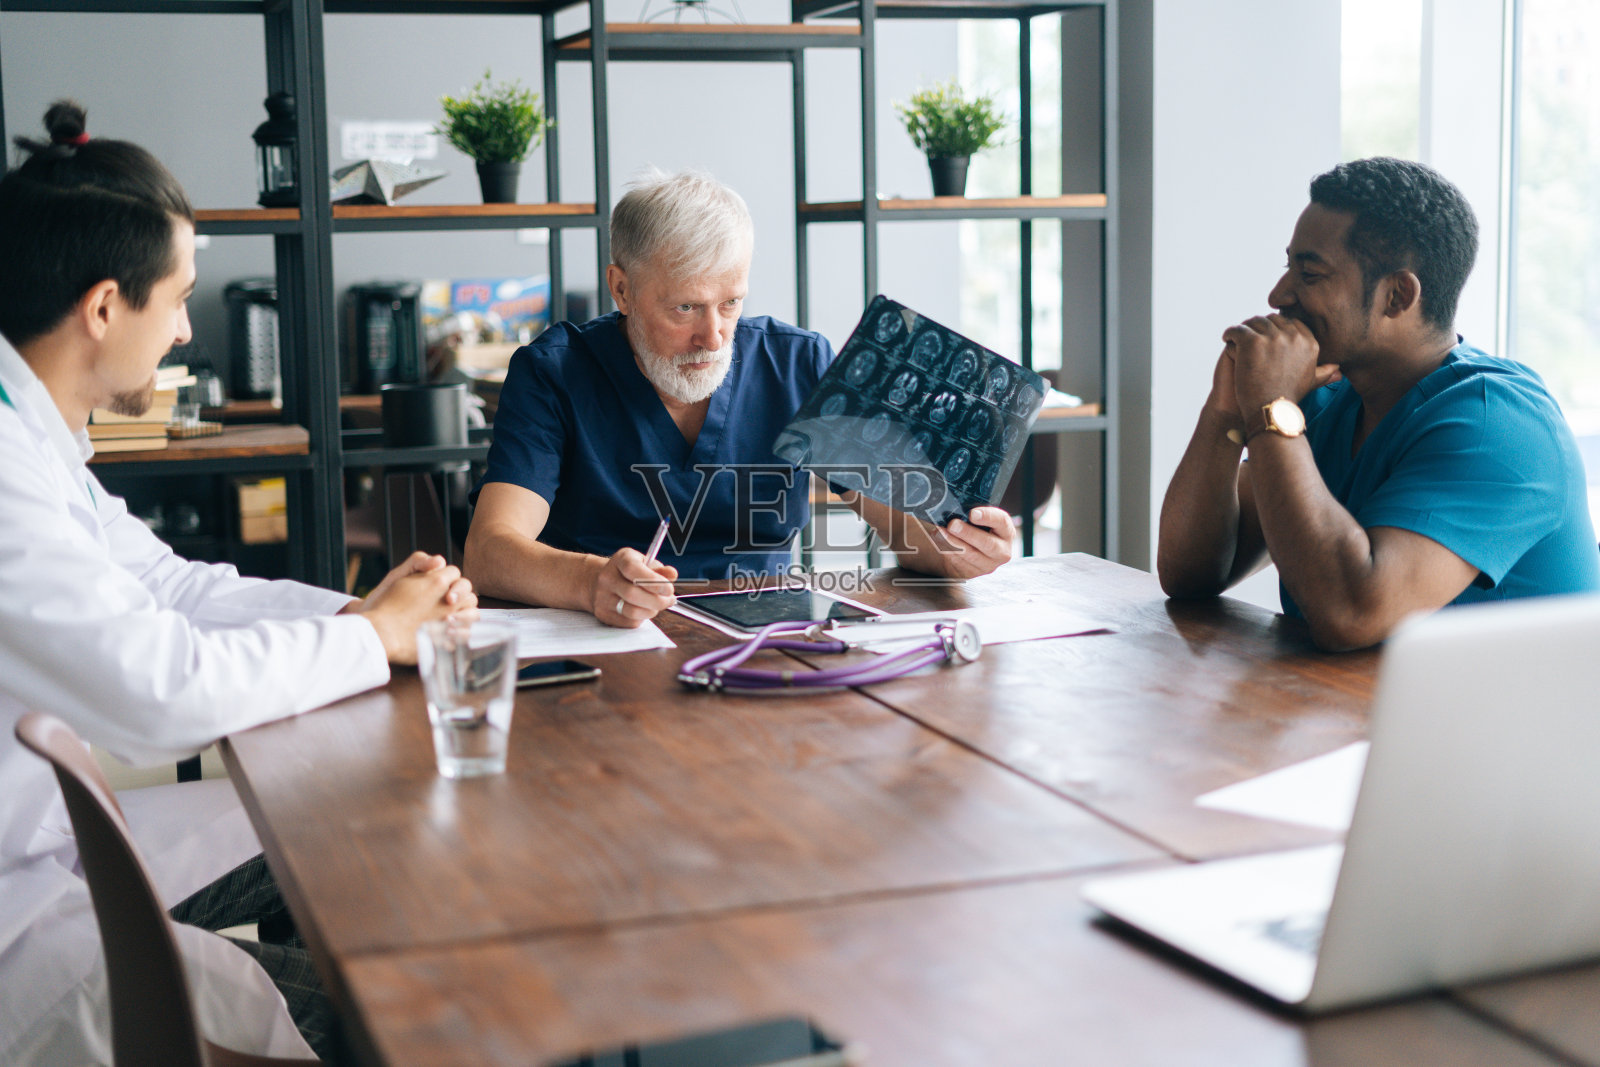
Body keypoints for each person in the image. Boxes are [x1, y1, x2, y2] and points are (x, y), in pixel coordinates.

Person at [0, 102, 476, 1064]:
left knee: (336, 809)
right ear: (102, 308)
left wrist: (359, 611)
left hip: (44, 842)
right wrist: (366, 639)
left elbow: (169, 585)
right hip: (21, 907)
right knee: (383, 1024)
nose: (182, 329)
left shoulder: (30, 430)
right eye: (177, 299)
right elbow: (156, 694)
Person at [465, 169, 1017, 626]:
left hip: (767, 638)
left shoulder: (797, 363)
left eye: (731, 303)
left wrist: (959, 550)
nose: (713, 337)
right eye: (685, 308)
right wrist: (592, 582)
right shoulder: (554, 372)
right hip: (603, 636)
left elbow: (900, 527)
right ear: (622, 289)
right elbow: (490, 551)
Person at [1158, 156, 1599, 651]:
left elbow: (1353, 612)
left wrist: (1271, 407)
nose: (1278, 294)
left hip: (1506, 727)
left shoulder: (1495, 423)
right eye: (1289, 267)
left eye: (1310, 274)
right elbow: (1189, 574)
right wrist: (1224, 414)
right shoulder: (1327, 403)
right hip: (1367, 718)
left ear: (1396, 296)